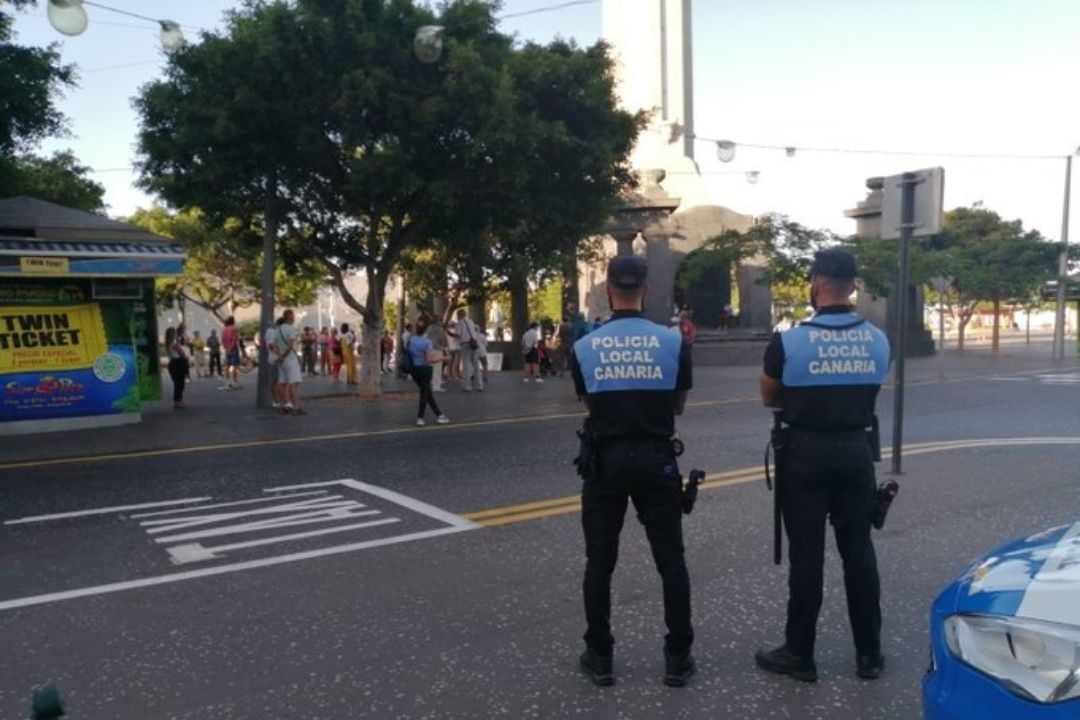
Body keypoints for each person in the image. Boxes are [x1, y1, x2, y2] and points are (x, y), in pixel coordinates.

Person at [755, 248, 891, 683]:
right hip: (856, 452)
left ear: (815, 284)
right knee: (859, 553)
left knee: (807, 557)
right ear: (853, 286)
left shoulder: (789, 341)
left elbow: (769, 397)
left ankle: (800, 653)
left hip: (804, 456)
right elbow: (871, 389)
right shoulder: (878, 339)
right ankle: (869, 654)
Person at [570, 255, 695, 688]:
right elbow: (678, 403)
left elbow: (589, 402)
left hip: (604, 461)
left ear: (608, 291)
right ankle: (678, 659)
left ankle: (600, 656)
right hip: (657, 459)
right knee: (671, 562)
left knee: (599, 563)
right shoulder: (673, 342)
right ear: (645, 290)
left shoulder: (586, 345)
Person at [406, 318, 450, 427]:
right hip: (425, 369)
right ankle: (420, 417)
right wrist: (443, 358)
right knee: (425, 393)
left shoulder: (411, 340)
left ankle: (439, 414)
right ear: (426, 330)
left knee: (426, 392)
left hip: (414, 370)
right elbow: (429, 360)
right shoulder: (427, 343)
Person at [273, 309, 305, 415]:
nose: (294, 317)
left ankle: (286, 404)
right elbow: (291, 345)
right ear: (290, 317)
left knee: (282, 383)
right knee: (293, 384)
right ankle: (296, 407)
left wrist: (279, 356)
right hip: (290, 359)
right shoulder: (291, 329)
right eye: (293, 315)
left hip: (282, 362)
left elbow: (275, 346)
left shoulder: (278, 330)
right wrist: (283, 355)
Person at [455, 309, 484, 392]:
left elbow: (458, 334)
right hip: (474, 344)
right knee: (476, 365)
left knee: (466, 365)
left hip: (465, 344)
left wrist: (449, 332)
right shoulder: (471, 321)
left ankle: (467, 386)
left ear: (459, 315)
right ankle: (479, 385)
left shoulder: (459, 323)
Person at [164, 326, 189, 409]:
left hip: (172, 363)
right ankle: (178, 400)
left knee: (177, 383)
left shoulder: (167, 344)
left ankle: (178, 400)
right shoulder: (175, 345)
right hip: (178, 363)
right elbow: (183, 354)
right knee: (180, 383)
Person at [220, 316, 241, 390]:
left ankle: (227, 383)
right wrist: (231, 348)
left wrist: (226, 348)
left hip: (226, 349)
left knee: (227, 366)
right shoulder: (234, 328)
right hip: (233, 349)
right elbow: (235, 339)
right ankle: (234, 383)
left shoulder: (224, 329)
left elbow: (222, 340)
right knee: (234, 366)